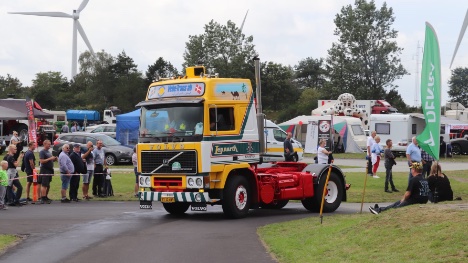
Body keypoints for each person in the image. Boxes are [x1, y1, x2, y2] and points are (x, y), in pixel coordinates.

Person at [39, 140, 57, 204]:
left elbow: (50, 160)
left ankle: (46, 196)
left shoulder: (48, 152)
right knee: (44, 184)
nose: (49, 145)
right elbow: (42, 161)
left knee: (48, 184)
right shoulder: (42, 152)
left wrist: (54, 159)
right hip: (45, 169)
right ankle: (43, 197)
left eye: (50, 144)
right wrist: (50, 159)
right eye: (48, 144)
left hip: (50, 169)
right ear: (45, 144)